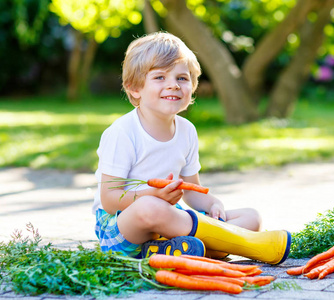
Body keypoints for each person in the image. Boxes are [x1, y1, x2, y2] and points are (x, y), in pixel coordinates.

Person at [93, 32, 291, 264]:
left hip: (169, 219)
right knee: (150, 207)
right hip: (122, 228)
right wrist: (153, 195)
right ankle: (248, 246)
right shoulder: (123, 132)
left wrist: (212, 204)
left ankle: (168, 252)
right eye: (159, 77)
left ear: (193, 86)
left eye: (182, 78)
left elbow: (191, 190)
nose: (173, 85)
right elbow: (109, 199)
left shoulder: (186, 131)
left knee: (251, 218)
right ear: (135, 88)